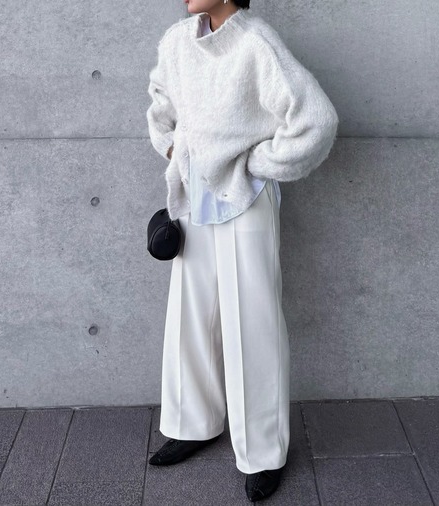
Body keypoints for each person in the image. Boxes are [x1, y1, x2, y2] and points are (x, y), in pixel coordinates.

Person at [146, 0, 338, 501]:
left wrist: (258, 164)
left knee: (252, 326)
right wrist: (174, 149)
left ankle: (264, 453)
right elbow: (160, 104)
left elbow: (316, 121)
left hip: (246, 200)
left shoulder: (256, 43)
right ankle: (193, 425)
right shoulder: (177, 42)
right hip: (193, 199)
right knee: (190, 317)